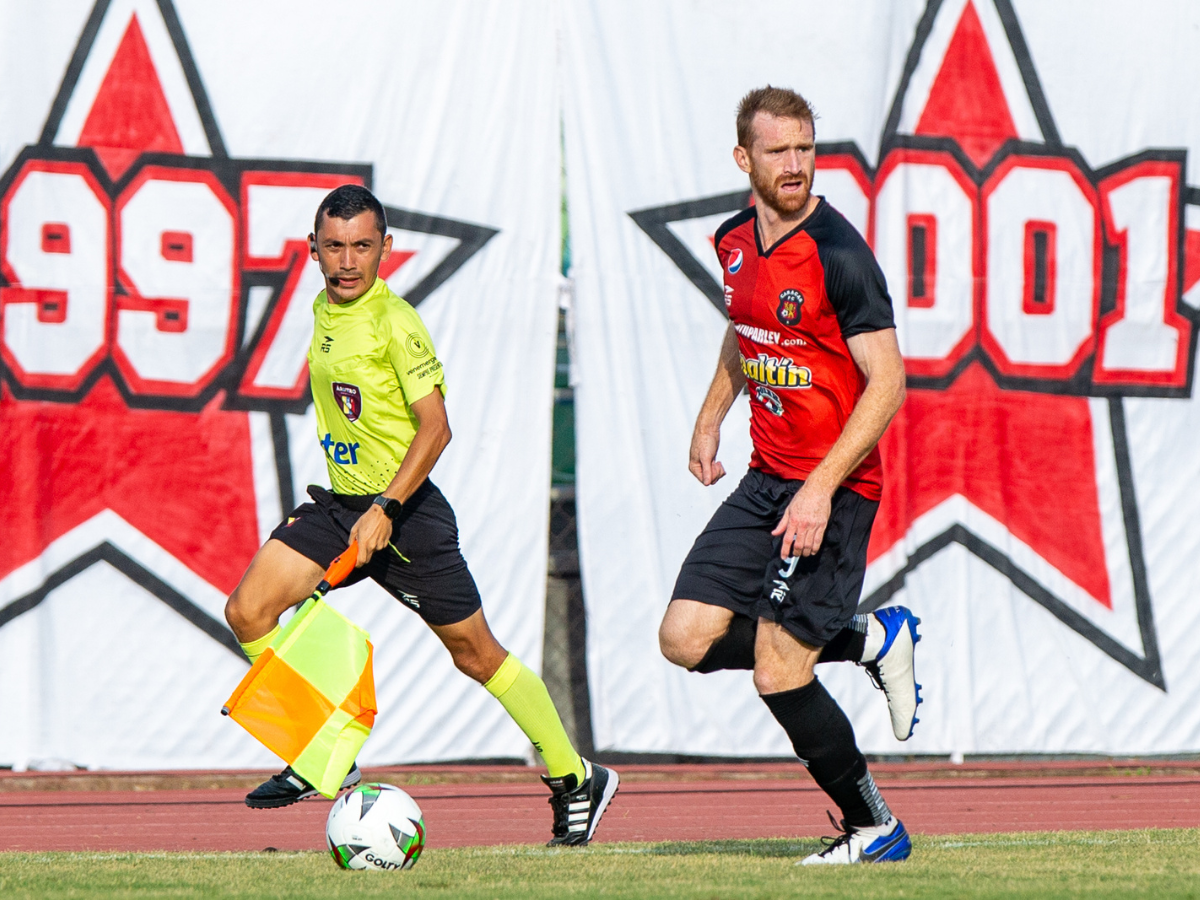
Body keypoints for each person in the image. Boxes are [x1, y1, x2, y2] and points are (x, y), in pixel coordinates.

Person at [224, 184, 617, 847]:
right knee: (248, 611)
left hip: (404, 516)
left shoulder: (395, 322)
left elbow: (435, 429)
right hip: (342, 504)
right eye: (335, 247)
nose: (348, 262)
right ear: (312, 249)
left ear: (386, 248)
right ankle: (322, 751)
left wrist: (386, 508)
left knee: (476, 654)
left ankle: (574, 776)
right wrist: (362, 506)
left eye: (363, 247)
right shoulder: (322, 305)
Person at [657, 86, 915, 864]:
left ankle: (876, 828)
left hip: (831, 491)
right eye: (779, 151)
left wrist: (819, 486)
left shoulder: (840, 254)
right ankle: (871, 636)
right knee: (684, 637)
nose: (796, 164)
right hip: (767, 479)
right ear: (745, 159)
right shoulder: (734, 240)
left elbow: (889, 381)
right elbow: (747, 328)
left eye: (805, 148)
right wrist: (710, 417)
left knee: (777, 670)